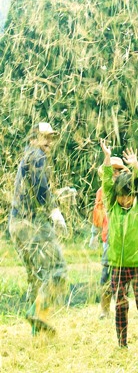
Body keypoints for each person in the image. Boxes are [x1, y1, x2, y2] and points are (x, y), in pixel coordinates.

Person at [9, 122, 68, 336]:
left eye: (51, 138)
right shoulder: (36, 155)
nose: (49, 142)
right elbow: (40, 187)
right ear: (33, 139)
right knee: (57, 271)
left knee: (37, 278)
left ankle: (37, 335)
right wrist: (53, 210)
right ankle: (37, 314)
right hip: (30, 225)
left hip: (16, 225)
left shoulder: (28, 156)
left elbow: (35, 186)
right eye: (45, 138)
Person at [100, 139, 138, 356]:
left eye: (129, 195)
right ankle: (122, 345)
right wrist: (107, 157)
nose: (125, 200)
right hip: (117, 264)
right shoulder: (112, 207)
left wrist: (136, 166)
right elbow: (106, 180)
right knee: (121, 306)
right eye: (121, 196)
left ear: (135, 194)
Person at [89, 158, 129, 319]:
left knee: (124, 277)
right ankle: (104, 310)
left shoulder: (127, 191)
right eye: (112, 170)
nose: (115, 174)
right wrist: (94, 235)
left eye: (118, 170)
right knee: (106, 276)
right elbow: (97, 214)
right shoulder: (102, 192)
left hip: (127, 240)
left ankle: (122, 309)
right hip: (109, 240)